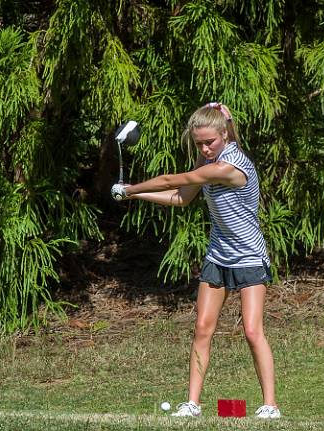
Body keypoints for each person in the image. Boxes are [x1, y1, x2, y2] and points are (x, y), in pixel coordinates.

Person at [114, 102, 281, 419]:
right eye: (199, 143)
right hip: (218, 253)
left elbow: (168, 181)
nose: (205, 149)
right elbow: (180, 197)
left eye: (210, 142)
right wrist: (131, 195)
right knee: (202, 328)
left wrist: (131, 186)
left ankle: (270, 405)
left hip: (248, 255)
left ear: (225, 133)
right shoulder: (207, 161)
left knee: (251, 330)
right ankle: (192, 404)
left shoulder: (230, 167)